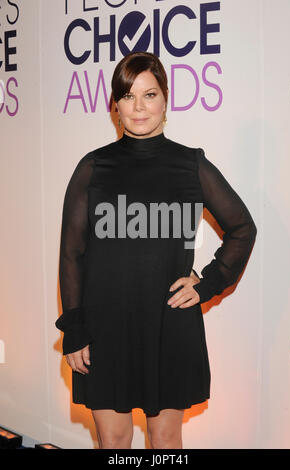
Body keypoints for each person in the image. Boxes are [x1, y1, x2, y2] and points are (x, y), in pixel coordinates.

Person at [55, 51, 257, 449]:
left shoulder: (190, 165)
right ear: (115, 106)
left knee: (165, 441)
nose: (139, 107)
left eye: (149, 95)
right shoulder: (93, 168)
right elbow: (71, 254)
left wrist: (208, 282)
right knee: (113, 443)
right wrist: (75, 330)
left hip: (169, 326)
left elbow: (242, 227)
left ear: (166, 99)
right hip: (105, 327)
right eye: (128, 96)